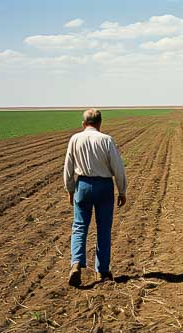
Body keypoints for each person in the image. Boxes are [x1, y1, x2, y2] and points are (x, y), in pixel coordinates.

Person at [63, 109, 127, 287]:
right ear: (100, 123)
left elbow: (68, 167)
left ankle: (76, 264)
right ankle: (102, 271)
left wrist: (70, 190)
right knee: (104, 228)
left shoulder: (75, 139)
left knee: (79, 226)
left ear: (83, 124)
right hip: (104, 186)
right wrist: (122, 190)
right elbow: (118, 167)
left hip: (82, 186)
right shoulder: (106, 140)